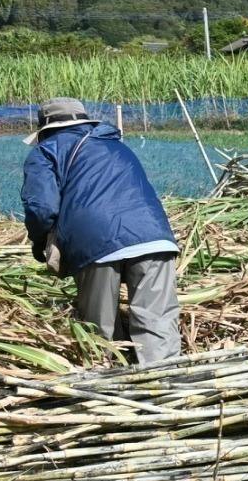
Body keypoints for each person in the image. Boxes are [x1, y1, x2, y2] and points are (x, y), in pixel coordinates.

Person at [20, 97, 182, 365]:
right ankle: (163, 384)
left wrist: (40, 243)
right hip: (153, 237)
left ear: (45, 128)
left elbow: (41, 206)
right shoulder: (116, 145)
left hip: (95, 242)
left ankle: (110, 383)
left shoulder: (45, 151)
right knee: (158, 322)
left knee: (100, 330)